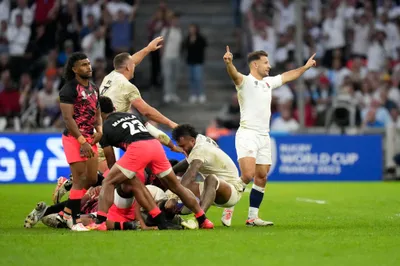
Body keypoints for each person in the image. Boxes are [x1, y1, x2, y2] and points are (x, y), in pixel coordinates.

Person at [87, 96, 213, 230]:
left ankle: (100, 222)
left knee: (108, 182)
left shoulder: (103, 128)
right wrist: (171, 146)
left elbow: (111, 161)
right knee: (176, 186)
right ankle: (203, 219)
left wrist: (119, 177)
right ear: (114, 108)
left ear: (98, 112)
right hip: (155, 146)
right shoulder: (132, 116)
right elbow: (156, 133)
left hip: (137, 149)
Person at [223, 46, 316, 226]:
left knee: (262, 176)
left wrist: (305, 68)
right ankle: (229, 206)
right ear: (255, 65)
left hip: (264, 135)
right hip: (247, 133)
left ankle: (252, 217)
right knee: (248, 174)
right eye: (266, 63)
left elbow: (289, 75)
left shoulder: (269, 83)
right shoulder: (245, 81)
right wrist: (229, 63)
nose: (269, 66)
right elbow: (234, 74)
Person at [97, 36, 178, 172]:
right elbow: (146, 111)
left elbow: (131, 60)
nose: (134, 65)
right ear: (129, 67)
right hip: (108, 133)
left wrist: (148, 49)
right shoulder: (127, 86)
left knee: (107, 179)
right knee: (107, 181)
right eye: (132, 65)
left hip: (99, 130)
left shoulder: (110, 76)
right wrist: (171, 123)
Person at [58, 52, 102, 231]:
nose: (88, 67)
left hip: (90, 138)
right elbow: (68, 119)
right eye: (83, 64)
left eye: (89, 63)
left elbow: (97, 114)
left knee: (91, 178)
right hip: (74, 139)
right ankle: (74, 221)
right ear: (74, 69)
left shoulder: (94, 88)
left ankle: (65, 213)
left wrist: (100, 130)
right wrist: (82, 140)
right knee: (80, 178)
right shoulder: (68, 89)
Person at [171, 124, 243, 227]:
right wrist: (170, 172)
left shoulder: (199, 150)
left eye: (183, 146)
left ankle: (199, 219)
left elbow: (191, 174)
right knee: (175, 181)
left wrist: (176, 195)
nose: (183, 149)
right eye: (180, 146)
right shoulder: (199, 139)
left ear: (192, 141)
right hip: (210, 190)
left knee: (210, 179)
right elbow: (187, 162)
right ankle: (169, 216)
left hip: (231, 190)